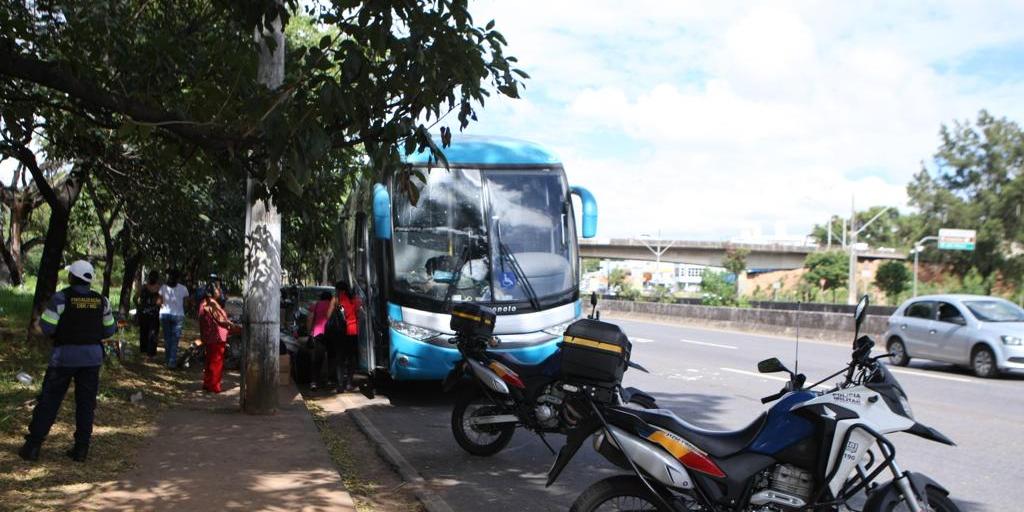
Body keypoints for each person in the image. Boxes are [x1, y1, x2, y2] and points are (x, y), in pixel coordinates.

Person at [19, 260, 116, 462]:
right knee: (86, 404)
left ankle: (33, 447)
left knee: (49, 401)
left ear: (72, 277)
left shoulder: (61, 298)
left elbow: (47, 328)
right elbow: (109, 330)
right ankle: (81, 449)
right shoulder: (102, 301)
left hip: (64, 357)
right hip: (92, 359)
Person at [198, 284, 236, 393]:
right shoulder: (211, 304)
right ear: (212, 292)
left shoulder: (203, 303)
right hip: (216, 337)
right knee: (216, 362)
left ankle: (207, 383)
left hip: (208, 336)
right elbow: (220, 320)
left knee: (209, 361)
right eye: (217, 289)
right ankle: (214, 387)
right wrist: (232, 325)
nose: (219, 291)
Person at [333, 281, 361, 392]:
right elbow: (359, 313)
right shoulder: (354, 300)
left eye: (337, 290)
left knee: (340, 358)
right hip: (353, 331)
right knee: (351, 358)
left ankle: (340, 385)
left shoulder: (337, 300)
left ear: (341, 290)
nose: (336, 292)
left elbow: (329, 314)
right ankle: (349, 383)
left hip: (340, 332)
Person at [159, 269, 189, 368]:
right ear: (178, 278)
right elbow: (185, 303)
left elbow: (159, 302)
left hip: (165, 314)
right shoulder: (184, 288)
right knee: (174, 340)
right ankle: (171, 362)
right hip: (178, 315)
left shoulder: (163, 287)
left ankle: (168, 360)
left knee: (167, 339)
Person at [306, 290, 334, 391]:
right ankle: (329, 380)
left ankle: (314, 382)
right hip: (331, 334)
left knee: (317, 359)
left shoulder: (316, 305)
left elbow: (310, 318)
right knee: (331, 358)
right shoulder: (333, 305)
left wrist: (309, 332)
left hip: (318, 333)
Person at [136, 270, 162, 357]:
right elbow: (160, 302)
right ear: (157, 279)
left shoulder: (143, 287)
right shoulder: (159, 289)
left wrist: (139, 306)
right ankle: (150, 353)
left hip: (143, 314)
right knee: (153, 333)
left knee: (144, 331)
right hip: (154, 315)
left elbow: (135, 298)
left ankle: (143, 350)